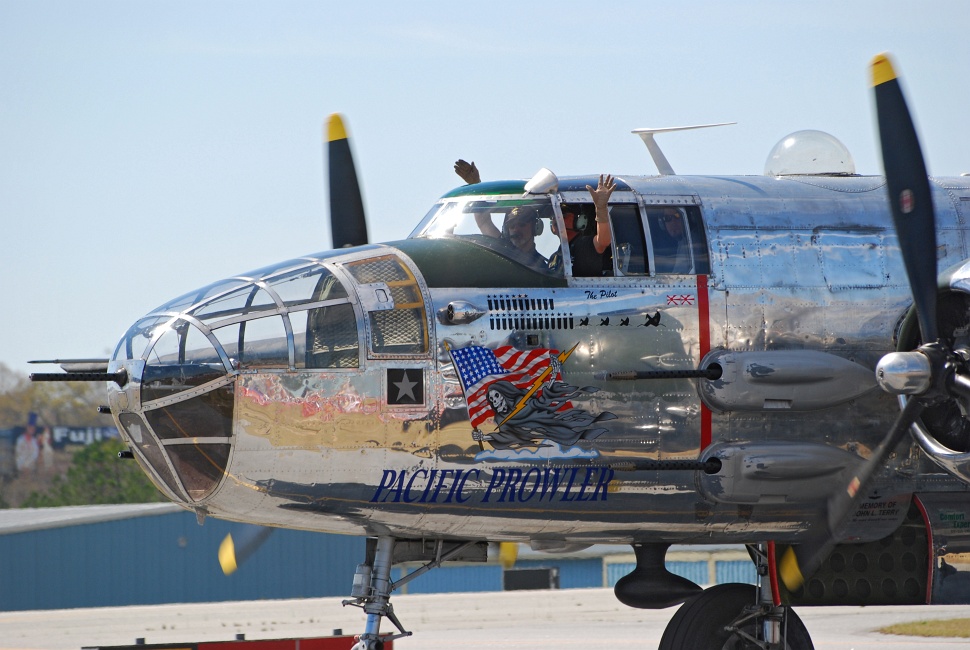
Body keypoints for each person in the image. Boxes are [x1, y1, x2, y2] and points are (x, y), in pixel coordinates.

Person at [455, 160, 614, 276]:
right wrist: (475, 185)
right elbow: (484, 222)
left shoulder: (578, 247)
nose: (516, 229)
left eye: (522, 224)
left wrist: (600, 209)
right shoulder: (552, 258)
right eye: (512, 225)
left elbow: (603, 241)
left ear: (535, 228)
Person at [651, 207, 691, 273]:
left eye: (677, 216)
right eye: (667, 218)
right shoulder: (679, 242)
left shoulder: (688, 243)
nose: (673, 222)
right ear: (662, 223)